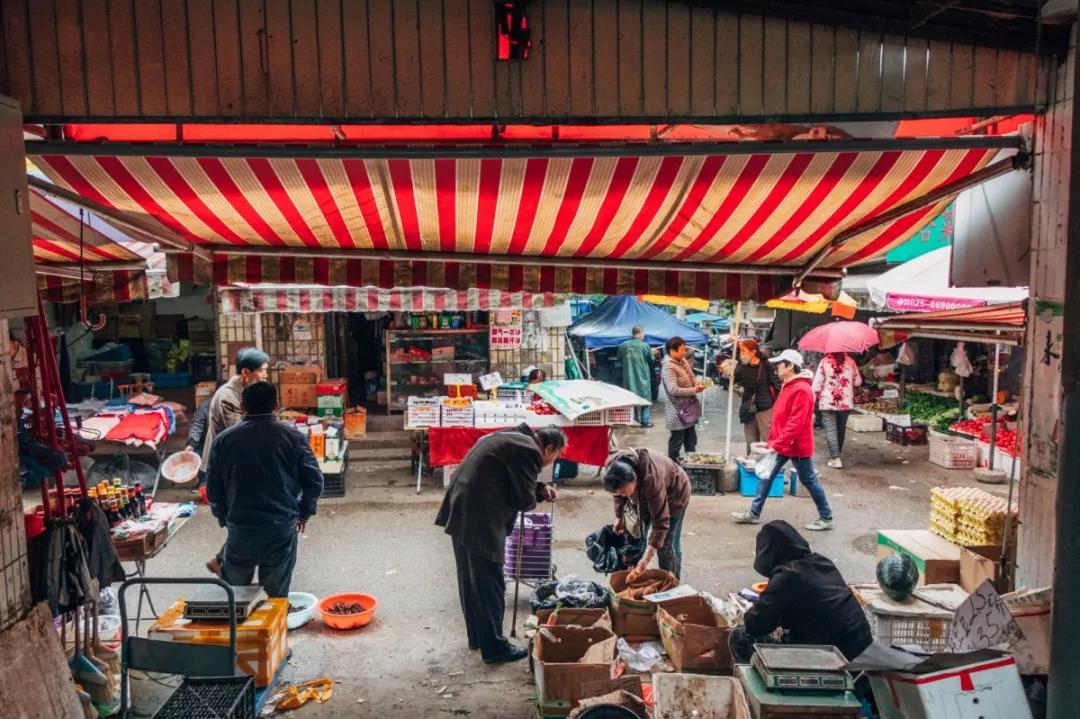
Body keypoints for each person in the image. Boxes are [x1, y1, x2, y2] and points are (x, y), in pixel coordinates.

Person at [435, 424, 565, 664]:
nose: (551, 462)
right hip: (479, 515)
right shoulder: (529, 451)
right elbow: (524, 500)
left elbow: (509, 477)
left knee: (470, 578)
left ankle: (478, 637)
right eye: (555, 456)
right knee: (489, 582)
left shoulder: (514, 437)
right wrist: (536, 492)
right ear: (548, 448)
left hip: (462, 506)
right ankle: (495, 647)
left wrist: (539, 487)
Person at [206, 382, 323, 598]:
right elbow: (314, 480)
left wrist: (223, 517)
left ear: (242, 406)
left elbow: (213, 487)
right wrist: (305, 512)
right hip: (281, 525)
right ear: (276, 405)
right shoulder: (292, 437)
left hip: (241, 526)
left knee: (235, 596)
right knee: (275, 596)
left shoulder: (225, 440)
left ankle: (237, 630)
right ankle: (271, 629)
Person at [728, 520, 872, 663]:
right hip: (862, 650)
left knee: (740, 637)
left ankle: (761, 684)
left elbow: (755, 624)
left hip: (831, 658)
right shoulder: (822, 562)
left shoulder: (788, 576)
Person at [732, 349, 834, 531]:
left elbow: (796, 423)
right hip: (783, 443)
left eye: (780, 364)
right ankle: (754, 513)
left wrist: (776, 444)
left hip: (796, 445)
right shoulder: (790, 385)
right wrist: (774, 441)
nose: (776, 367)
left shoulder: (801, 389)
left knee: (808, 479)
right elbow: (783, 418)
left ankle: (826, 517)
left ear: (789, 366)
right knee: (767, 476)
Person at [199, 348, 270, 574]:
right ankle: (230, 567)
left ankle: (223, 561)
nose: (266, 376)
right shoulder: (228, 396)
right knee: (242, 518)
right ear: (246, 372)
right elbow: (241, 432)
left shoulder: (246, 390)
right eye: (262, 371)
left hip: (239, 462)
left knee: (247, 518)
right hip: (225, 465)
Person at [603, 448, 691, 579]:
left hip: (675, 495)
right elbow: (617, 493)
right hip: (643, 498)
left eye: (624, 492)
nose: (622, 495)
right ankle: (633, 575)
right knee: (634, 536)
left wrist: (646, 559)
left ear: (634, 479)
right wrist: (619, 516)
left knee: (666, 546)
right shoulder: (612, 468)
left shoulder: (651, 480)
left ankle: (671, 585)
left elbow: (661, 522)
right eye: (619, 492)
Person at [813, 352, 862, 469]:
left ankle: (835, 458)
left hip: (828, 402)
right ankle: (837, 453)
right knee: (840, 429)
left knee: (830, 429)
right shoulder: (850, 361)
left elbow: (817, 385)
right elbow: (858, 382)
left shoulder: (824, 361)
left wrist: (813, 397)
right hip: (845, 403)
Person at [732, 339, 782, 454]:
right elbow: (733, 380)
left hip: (765, 408)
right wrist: (727, 371)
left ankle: (768, 466)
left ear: (753, 352)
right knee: (750, 441)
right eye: (740, 351)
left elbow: (778, 387)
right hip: (748, 406)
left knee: (767, 440)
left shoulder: (767, 365)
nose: (741, 354)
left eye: (743, 351)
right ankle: (751, 465)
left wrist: (778, 407)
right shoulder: (742, 364)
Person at [661, 337, 704, 463]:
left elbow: (691, 376)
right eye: (681, 350)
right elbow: (673, 390)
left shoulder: (682, 361)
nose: (684, 352)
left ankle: (691, 467)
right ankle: (673, 468)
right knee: (676, 442)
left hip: (689, 409)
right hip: (677, 411)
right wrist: (694, 390)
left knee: (691, 441)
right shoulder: (668, 367)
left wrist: (697, 383)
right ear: (671, 351)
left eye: (684, 349)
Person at [617, 326, 655, 428]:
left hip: (629, 376)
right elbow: (651, 360)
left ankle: (634, 420)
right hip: (642, 377)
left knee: (631, 398)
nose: (644, 335)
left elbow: (619, 358)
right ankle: (645, 421)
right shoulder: (645, 346)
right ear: (639, 333)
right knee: (645, 398)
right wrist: (654, 353)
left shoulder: (623, 345)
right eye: (643, 333)